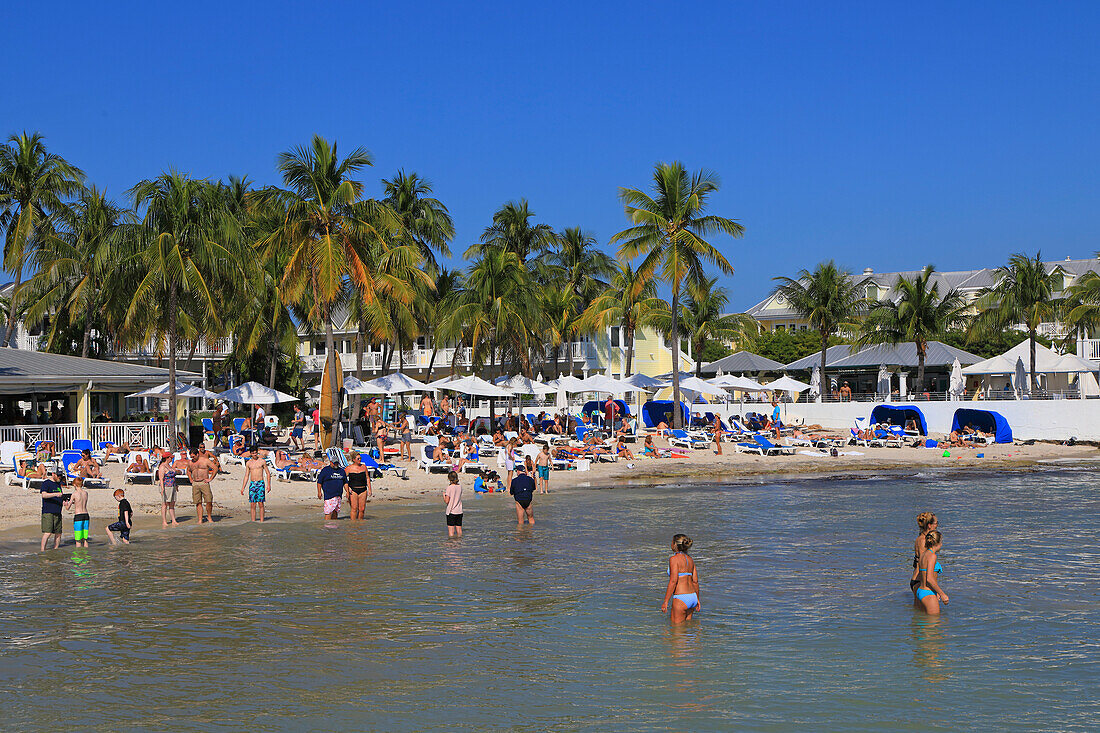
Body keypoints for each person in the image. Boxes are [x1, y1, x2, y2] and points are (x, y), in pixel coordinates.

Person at [660, 534, 700, 624]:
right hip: (692, 596)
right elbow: (695, 581)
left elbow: (673, 581)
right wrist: (697, 599)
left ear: (675, 544)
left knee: (676, 633)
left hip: (681, 597)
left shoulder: (674, 559)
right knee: (687, 630)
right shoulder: (690, 560)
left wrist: (666, 601)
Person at [915, 530, 949, 614]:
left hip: (920, 591)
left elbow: (922, 574)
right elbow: (929, 578)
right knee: (934, 623)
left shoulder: (924, 554)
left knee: (923, 623)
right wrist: (942, 594)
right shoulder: (932, 556)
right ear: (938, 543)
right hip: (928, 593)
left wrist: (936, 592)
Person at [909, 512, 940, 596]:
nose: (937, 526)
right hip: (922, 582)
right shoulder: (923, 540)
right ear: (929, 525)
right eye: (936, 523)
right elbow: (924, 565)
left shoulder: (922, 538)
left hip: (919, 581)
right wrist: (936, 590)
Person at [40, 468, 70, 551]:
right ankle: (43, 550)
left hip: (58, 511)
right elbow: (44, 495)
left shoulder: (58, 484)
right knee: (48, 532)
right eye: (58, 475)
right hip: (48, 511)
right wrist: (56, 494)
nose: (60, 477)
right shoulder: (46, 483)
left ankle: (55, 549)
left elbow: (61, 495)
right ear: (53, 474)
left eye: (61, 475)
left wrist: (64, 501)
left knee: (58, 533)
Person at [187, 447, 218, 524]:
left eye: (193, 456)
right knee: (198, 502)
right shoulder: (190, 462)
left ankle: (209, 517)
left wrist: (210, 479)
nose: (192, 458)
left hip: (204, 482)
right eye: (191, 457)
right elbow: (188, 470)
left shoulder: (205, 461)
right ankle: (200, 519)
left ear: (197, 454)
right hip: (195, 483)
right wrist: (190, 479)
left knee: (208, 500)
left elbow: (215, 468)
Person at [239, 447, 270, 522]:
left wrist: (269, 485)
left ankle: (262, 521)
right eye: (253, 453)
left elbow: (268, 473)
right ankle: (253, 521)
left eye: (255, 452)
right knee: (252, 504)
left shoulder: (262, 461)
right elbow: (246, 476)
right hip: (253, 484)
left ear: (257, 452)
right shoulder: (248, 463)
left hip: (260, 483)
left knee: (260, 503)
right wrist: (243, 488)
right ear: (250, 453)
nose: (254, 454)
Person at [316, 453, 347, 520]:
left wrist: (347, 491)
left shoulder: (341, 471)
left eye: (337, 463)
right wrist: (319, 492)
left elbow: (345, 482)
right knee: (328, 513)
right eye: (334, 463)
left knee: (336, 512)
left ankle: (334, 527)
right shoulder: (325, 470)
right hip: (329, 496)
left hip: (338, 495)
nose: (336, 465)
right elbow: (319, 482)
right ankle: (327, 527)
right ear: (330, 462)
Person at [345, 451, 372, 520]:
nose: (360, 460)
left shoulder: (364, 467)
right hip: (353, 490)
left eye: (360, 458)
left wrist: (370, 489)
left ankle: (360, 524)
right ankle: (353, 524)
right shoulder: (349, 468)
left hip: (363, 489)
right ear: (353, 460)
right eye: (358, 459)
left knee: (362, 509)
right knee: (354, 509)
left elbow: (367, 478)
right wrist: (347, 489)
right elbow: (344, 480)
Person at [509, 458, 536, 525]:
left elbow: (511, 492)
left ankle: (520, 534)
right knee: (531, 518)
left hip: (519, 499)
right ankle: (531, 533)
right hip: (528, 498)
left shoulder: (514, 480)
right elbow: (533, 489)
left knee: (520, 521)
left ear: (518, 471)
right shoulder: (530, 479)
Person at [157, 454, 179, 528]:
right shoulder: (162, 466)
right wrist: (162, 488)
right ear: (167, 458)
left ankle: (173, 520)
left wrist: (176, 486)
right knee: (165, 504)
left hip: (172, 486)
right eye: (170, 457)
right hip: (166, 487)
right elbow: (161, 478)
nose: (171, 459)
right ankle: (164, 521)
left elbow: (173, 477)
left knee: (172, 504)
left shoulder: (169, 466)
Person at [68, 477, 90, 547]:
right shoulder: (86, 493)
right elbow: (81, 501)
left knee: (78, 540)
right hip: (86, 515)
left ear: (74, 484)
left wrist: (65, 504)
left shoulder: (74, 494)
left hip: (78, 516)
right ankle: (86, 556)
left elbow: (68, 507)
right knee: (85, 538)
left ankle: (78, 557)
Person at [444, 470, 463, 537]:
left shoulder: (449, 488)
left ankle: (451, 545)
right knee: (459, 529)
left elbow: (447, 501)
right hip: (459, 511)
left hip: (451, 511)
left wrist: (444, 495)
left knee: (451, 531)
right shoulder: (460, 487)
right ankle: (459, 543)